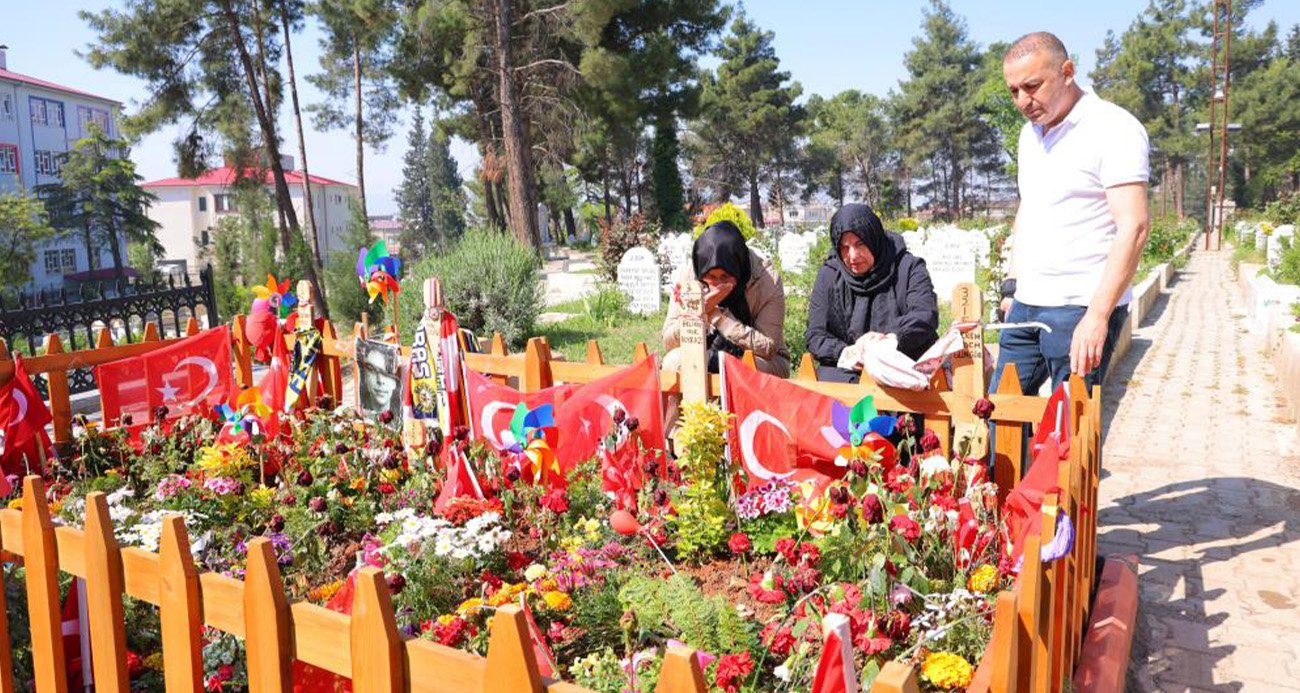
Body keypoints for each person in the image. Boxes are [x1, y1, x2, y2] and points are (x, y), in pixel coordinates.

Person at [994, 32, 1150, 394]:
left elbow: (1135, 226)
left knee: (1069, 434)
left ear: (1067, 71)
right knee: (998, 417)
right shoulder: (1028, 136)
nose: (1022, 100)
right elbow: (1028, 209)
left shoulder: (1114, 128)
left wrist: (1097, 316)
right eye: (1013, 91)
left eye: (1032, 86)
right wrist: (1012, 287)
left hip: (1080, 306)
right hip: (1025, 305)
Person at [806, 203, 940, 383]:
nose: (852, 256)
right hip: (848, 372)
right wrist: (848, 353)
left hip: (901, 365)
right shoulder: (830, 275)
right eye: (844, 248)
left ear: (873, 238)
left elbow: (924, 315)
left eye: (859, 244)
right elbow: (816, 335)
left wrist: (890, 339)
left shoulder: (908, 268)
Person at [662, 220, 791, 377]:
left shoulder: (767, 280)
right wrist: (695, 316)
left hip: (757, 358)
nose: (718, 284)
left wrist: (718, 318)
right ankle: (692, 402)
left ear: (738, 268)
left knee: (738, 371)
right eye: (711, 277)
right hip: (704, 348)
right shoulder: (691, 277)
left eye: (725, 276)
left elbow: (768, 348)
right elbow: (668, 342)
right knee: (673, 361)